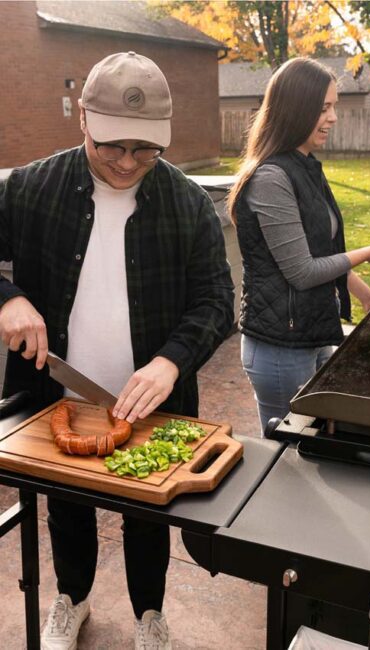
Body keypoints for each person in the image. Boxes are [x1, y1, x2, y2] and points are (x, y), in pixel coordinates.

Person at [0, 51, 234, 649]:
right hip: (57, 388)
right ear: (83, 119)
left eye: (146, 149)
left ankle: (149, 615)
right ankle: (71, 601)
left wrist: (172, 359)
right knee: (66, 504)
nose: (129, 163)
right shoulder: (30, 188)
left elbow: (216, 302)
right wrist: (7, 298)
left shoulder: (186, 205)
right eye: (112, 146)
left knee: (147, 513)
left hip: (153, 397)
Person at [228, 57, 370, 432]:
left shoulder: (305, 166)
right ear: (297, 109)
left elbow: (322, 253)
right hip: (279, 347)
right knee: (286, 457)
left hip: (314, 331)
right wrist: (369, 254)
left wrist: (366, 295)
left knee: (318, 442)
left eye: (334, 106)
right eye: (324, 107)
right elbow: (303, 271)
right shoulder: (272, 178)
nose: (334, 117)